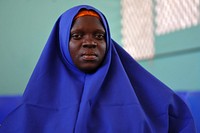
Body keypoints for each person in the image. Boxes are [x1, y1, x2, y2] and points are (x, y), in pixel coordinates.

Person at [0, 5, 196, 133]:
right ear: (61, 43)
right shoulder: (31, 107)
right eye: (77, 36)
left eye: (99, 36)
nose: (90, 43)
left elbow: (181, 119)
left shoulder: (144, 95)